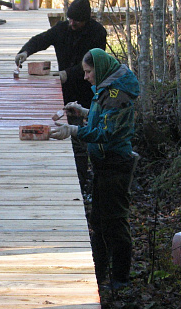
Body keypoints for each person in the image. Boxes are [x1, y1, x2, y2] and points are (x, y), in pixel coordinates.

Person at [49, 48, 140, 291]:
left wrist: (75, 130)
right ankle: (99, 275)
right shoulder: (108, 88)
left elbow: (107, 133)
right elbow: (105, 119)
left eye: (88, 72)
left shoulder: (116, 93)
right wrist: (84, 113)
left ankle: (120, 280)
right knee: (99, 222)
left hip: (115, 166)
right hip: (104, 165)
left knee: (115, 223)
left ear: (99, 70)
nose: (86, 77)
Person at [15, 0, 106, 202]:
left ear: (86, 20)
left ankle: (81, 184)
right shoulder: (63, 28)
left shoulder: (97, 33)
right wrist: (25, 51)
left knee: (81, 140)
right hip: (63, 91)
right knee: (61, 131)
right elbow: (42, 39)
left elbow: (95, 65)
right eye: (70, 19)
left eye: (77, 21)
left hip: (86, 92)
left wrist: (67, 73)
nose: (71, 24)